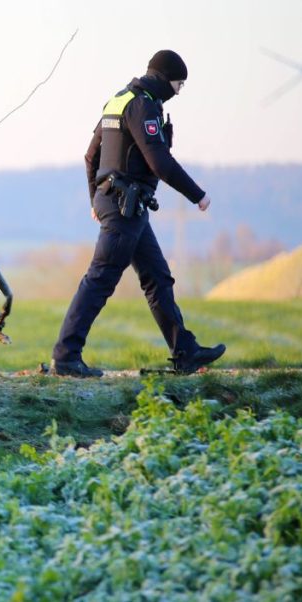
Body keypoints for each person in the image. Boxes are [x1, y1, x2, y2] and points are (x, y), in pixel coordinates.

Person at [50, 50, 225, 377]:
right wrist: (197, 195)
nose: (178, 92)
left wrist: (94, 200)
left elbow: (91, 157)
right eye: (178, 84)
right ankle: (65, 356)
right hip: (123, 207)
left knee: (158, 278)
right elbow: (160, 164)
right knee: (99, 280)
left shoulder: (117, 101)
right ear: (163, 79)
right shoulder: (143, 105)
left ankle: (184, 351)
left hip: (121, 204)